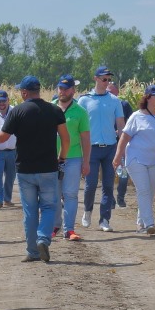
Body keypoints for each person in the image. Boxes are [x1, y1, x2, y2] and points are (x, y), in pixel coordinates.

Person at [0, 76, 69, 263]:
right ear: (39, 90)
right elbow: (65, 139)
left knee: (30, 211)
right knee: (49, 207)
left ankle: (32, 251)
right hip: (48, 168)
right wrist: (61, 158)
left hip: (25, 169)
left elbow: (2, 137)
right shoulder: (55, 110)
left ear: (24, 93)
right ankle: (43, 238)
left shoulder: (18, 112)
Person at [112, 85, 155, 235]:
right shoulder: (136, 116)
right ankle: (149, 223)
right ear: (147, 97)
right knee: (143, 190)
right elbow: (124, 137)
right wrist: (117, 157)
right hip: (136, 159)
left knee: (149, 192)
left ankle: (140, 224)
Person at [77, 66, 125, 232]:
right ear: (95, 79)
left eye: (109, 80)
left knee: (108, 185)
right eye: (104, 79)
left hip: (110, 147)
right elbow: (79, 126)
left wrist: (122, 146)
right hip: (91, 148)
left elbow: (120, 124)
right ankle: (87, 210)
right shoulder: (84, 100)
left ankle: (104, 219)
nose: (107, 82)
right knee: (90, 185)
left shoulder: (114, 101)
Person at [52, 75, 90, 241]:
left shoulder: (80, 112)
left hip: (73, 158)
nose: (63, 91)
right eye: (61, 88)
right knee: (53, 194)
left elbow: (85, 139)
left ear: (73, 90)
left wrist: (86, 161)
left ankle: (69, 230)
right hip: (52, 158)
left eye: (66, 89)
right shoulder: (50, 108)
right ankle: (54, 226)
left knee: (70, 194)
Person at [107, 81, 133, 208]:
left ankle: (120, 197)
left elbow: (131, 122)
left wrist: (122, 130)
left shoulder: (124, 105)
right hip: (108, 145)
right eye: (107, 91)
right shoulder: (104, 105)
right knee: (109, 174)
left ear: (117, 92)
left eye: (111, 91)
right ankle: (110, 199)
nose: (109, 94)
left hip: (121, 145)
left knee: (123, 174)